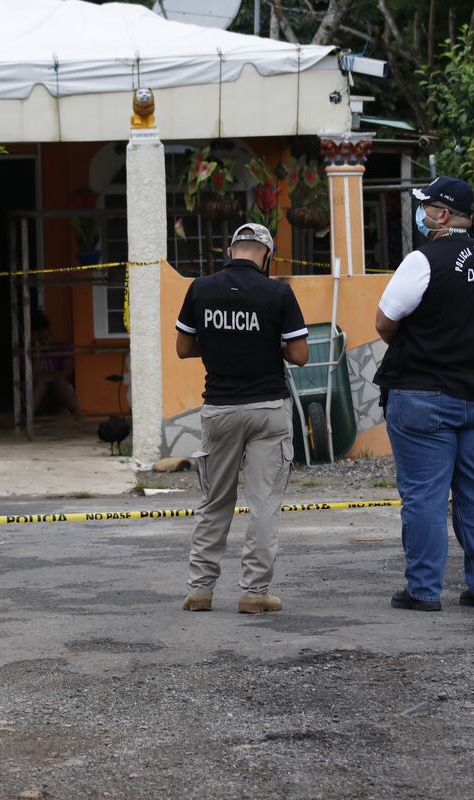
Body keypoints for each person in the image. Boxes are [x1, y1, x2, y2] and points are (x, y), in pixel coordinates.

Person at [372, 176, 474, 612]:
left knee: (425, 494)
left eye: (426, 206)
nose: (422, 213)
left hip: (425, 395)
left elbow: (384, 321)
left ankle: (424, 590)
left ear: (443, 214)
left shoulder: (423, 260)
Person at [175, 223, 309, 614]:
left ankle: (200, 591)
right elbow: (300, 355)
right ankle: (254, 592)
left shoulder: (200, 289)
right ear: (266, 255)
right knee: (264, 503)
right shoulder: (278, 293)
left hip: (219, 408)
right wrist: (268, 342)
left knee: (214, 501)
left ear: (231, 250)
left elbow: (184, 347)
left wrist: (220, 343)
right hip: (268, 408)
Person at [31, 312, 83, 422]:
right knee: (40, 382)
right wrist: (37, 353)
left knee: (59, 381)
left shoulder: (62, 348)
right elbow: (31, 375)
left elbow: (67, 373)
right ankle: (28, 421)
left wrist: (50, 377)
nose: (45, 341)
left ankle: (79, 417)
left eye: (47, 337)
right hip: (38, 395)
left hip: (59, 394)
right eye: (40, 339)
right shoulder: (28, 353)